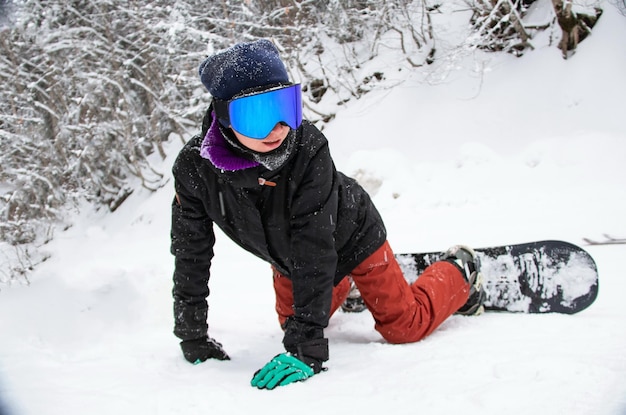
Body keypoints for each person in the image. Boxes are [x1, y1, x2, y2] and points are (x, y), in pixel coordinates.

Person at [170, 39, 486, 390]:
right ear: (225, 116)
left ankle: (460, 270)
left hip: (352, 237)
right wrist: (192, 333)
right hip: (292, 261)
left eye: (284, 107)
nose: (277, 129)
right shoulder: (194, 170)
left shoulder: (307, 149)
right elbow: (191, 253)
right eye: (258, 114)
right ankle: (346, 284)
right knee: (291, 322)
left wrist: (306, 350)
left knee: (403, 327)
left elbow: (314, 246)